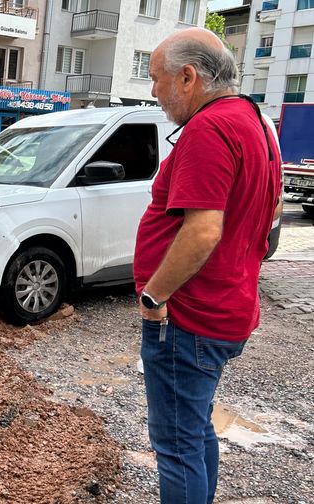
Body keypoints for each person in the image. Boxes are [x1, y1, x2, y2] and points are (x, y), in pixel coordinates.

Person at [134, 28, 281, 504]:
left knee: (175, 447)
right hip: (224, 309)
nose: (153, 92)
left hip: (188, 319)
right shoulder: (253, 121)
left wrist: (153, 297)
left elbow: (202, 232)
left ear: (188, 77)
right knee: (193, 432)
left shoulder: (209, 128)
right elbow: (268, 212)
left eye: (156, 79)